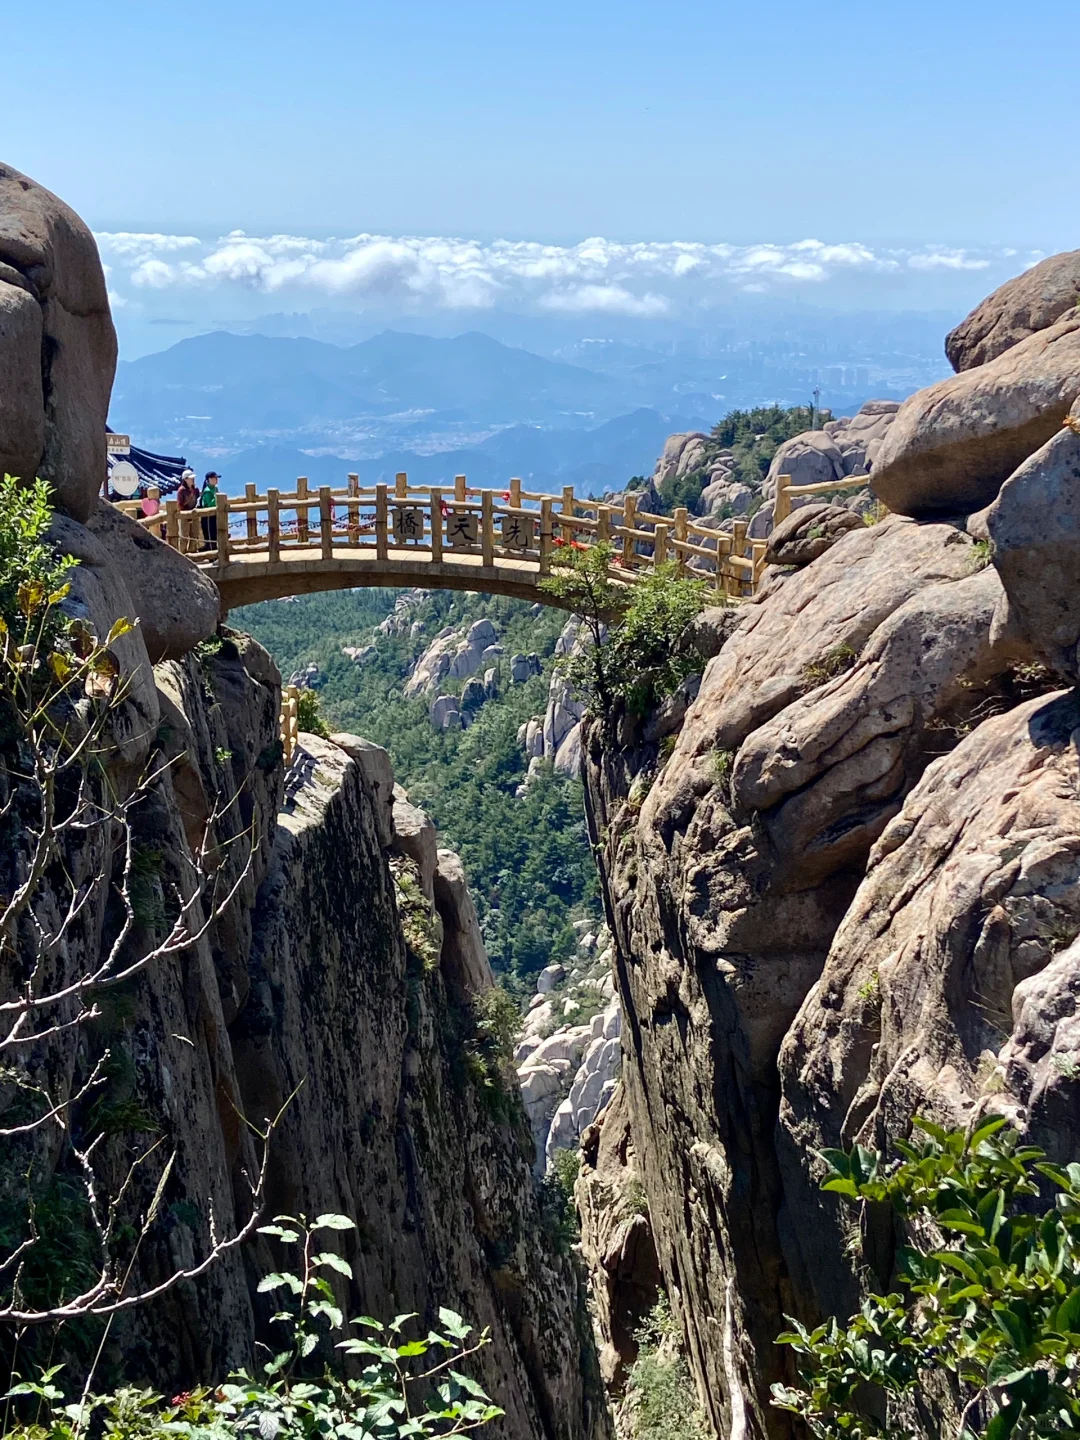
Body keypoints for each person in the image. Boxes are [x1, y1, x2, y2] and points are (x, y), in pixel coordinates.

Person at [199, 472, 220, 550]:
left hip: (214, 516)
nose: (217, 480)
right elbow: (209, 504)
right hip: (208, 517)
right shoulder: (207, 491)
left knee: (214, 535)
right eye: (215, 478)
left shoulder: (215, 488)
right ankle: (212, 555)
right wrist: (217, 497)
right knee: (210, 536)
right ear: (209, 479)